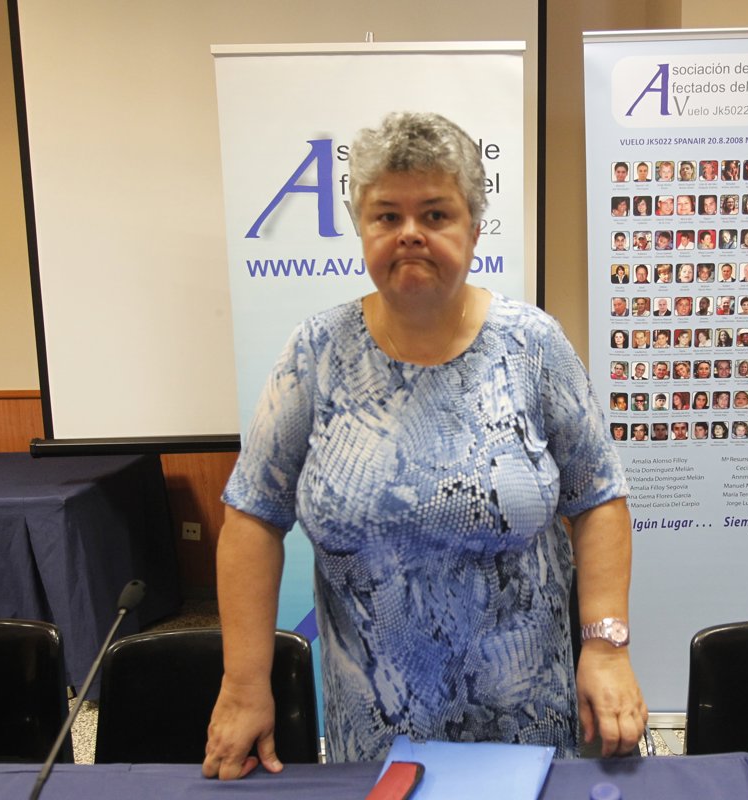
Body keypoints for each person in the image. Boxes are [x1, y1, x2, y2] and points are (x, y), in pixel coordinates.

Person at [204, 112, 646, 775]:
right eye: (387, 216)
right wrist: (243, 685)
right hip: (375, 735)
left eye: (435, 214)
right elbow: (252, 518)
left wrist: (607, 648)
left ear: (474, 228)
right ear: (362, 229)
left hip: (527, 722)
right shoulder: (316, 354)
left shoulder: (533, 346)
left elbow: (600, 498)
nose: (410, 232)